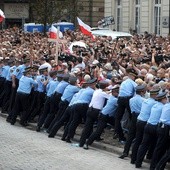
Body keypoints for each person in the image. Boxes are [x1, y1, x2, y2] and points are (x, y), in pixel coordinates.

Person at [135, 91, 167, 168]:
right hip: (155, 127)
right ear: (162, 99)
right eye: (165, 98)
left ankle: (138, 163)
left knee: (144, 145)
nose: (166, 100)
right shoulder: (163, 107)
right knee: (156, 147)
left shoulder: (155, 105)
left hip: (148, 125)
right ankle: (153, 165)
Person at [83, 85, 119, 150]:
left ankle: (120, 136)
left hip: (106, 115)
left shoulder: (111, 97)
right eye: (117, 93)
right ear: (114, 93)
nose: (118, 94)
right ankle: (87, 143)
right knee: (98, 131)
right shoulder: (114, 100)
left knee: (117, 126)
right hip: (104, 116)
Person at [130, 88, 159, 164]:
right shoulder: (154, 103)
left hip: (139, 120)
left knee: (137, 141)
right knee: (144, 143)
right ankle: (140, 160)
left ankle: (133, 159)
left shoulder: (145, 101)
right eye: (157, 94)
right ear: (154, 95)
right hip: (145, 122)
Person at [64, 78, 97, 143]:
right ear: (92, 85)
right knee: (88, 122)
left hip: (76, 104)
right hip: (83, 106)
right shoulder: (92, 91)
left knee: (74, 122)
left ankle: (68, 137)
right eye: (95, 84)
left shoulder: (84, 90)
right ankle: (87, 137)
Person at [79, 80, 110, 147]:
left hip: (90, 109)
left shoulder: (96, 91)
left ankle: (81, 142)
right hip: (96, 111)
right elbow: (109, 97)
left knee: (87, 127)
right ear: (105, 87)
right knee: (99, 128)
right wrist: (109, 92)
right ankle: (90, 141)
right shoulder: (103, 93)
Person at [119, 84, 146, 159]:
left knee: (130, 136)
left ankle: (125, 152)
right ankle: (134, 154)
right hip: (140, 117)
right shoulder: (144, 100)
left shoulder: (131, 99)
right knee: (138, 136)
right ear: (142, 92)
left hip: (133, 117)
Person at [114, 68, 138, 142]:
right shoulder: (133, 83)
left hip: (120, 99)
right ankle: (132, 135)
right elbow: (137, 92)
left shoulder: (124, 82)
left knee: (118, 118)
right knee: (133, 117)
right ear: (132, 76)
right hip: (128, 99)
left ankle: (119, 135)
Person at [150, 99, 170, 170]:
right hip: (165, 128)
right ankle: (157, 166)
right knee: (162, 148)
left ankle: (155, 166)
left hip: (161, 126)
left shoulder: (166, 105)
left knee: (160, 148)